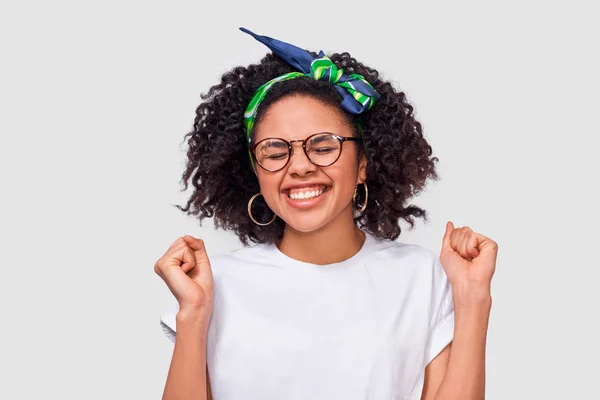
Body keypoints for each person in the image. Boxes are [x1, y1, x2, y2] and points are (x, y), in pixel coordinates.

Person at [155, 27, 498, 400]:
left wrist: (473, 299)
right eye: (274, 151)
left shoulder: (419, 276)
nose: (299, 166)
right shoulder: (212, 285)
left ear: (363, 162)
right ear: (255, 171)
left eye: (322, 146)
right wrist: (192, 314)